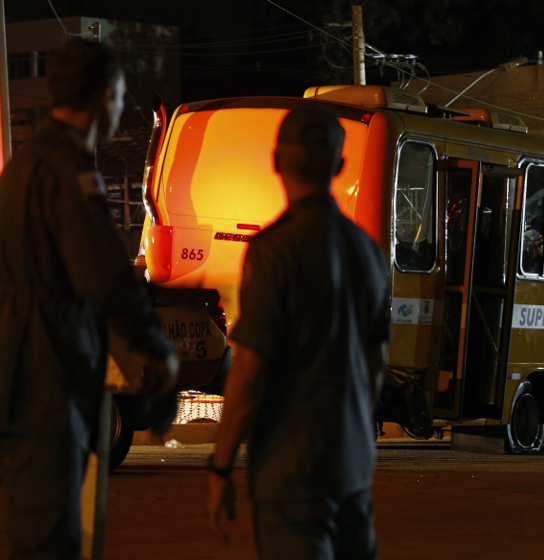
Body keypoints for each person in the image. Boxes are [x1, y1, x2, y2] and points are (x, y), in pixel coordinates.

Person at [0, 39, 178, 559]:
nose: (121, 108)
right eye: (122, 95)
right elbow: (103, 276)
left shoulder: (22, 168)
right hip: (48, 382)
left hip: (21, 378)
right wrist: (156, 347)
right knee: (51, 540)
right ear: (106, 97)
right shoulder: (67, 169)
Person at [206, 106, 390, 560]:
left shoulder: (275, 250)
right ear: (340, 166)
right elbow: (375, 366)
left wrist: (220, 467)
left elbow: (248, 371)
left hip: (290, 472)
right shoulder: (368, 253)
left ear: (276, 161)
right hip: (351, 468)